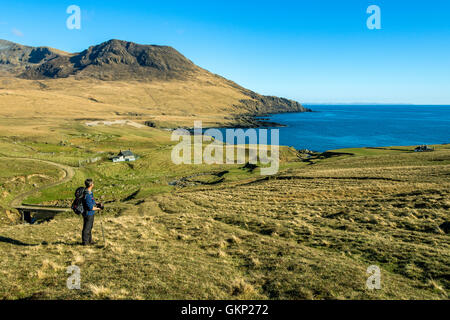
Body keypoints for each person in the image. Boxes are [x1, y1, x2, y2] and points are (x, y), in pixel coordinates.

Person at [81, 179, 102, 245]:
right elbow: (90, 207)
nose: (93, 184)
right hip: (88, 213)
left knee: (89, 227)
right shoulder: (88, 194)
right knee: (87, 228)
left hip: (90, 213)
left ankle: (90, 241)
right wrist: (98, 209)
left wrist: (96, 203)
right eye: (93, 183)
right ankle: (85, 242)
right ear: (91, 185)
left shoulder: (89, 192)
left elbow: (91, 202)